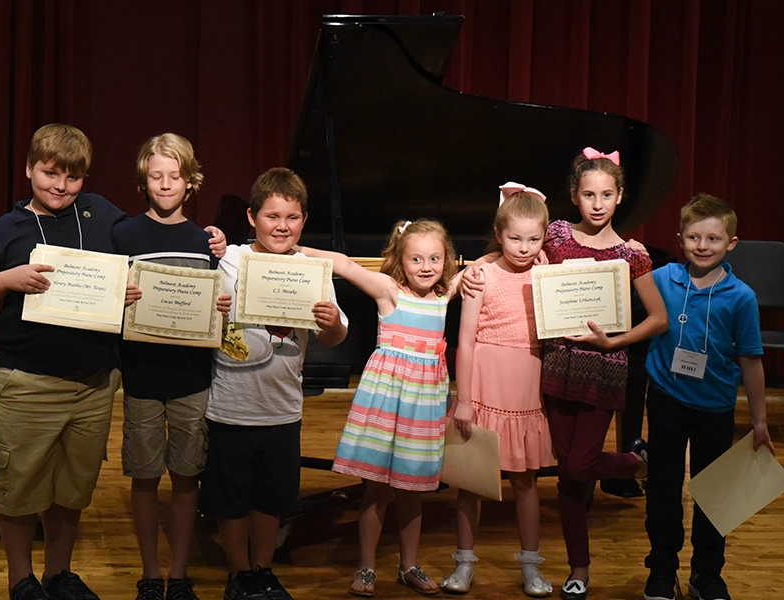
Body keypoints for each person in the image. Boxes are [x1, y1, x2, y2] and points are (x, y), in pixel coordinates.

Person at [0, 124, 226, 600]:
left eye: (72, 176)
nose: (60, 185)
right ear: (28, 169)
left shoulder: (102, 215)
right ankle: (21, 580)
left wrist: (213, 239)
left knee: (72, 488)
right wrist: (10, 277)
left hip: (94, 381)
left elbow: (151, 238)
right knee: (20, 486)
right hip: (28, 379)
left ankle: (58, 574)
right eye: (49, 174)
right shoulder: (8, 229)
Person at [304, 216, 470, 596]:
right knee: (377, 489)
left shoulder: (445, 296)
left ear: (447, 260)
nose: (426, 267)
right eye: (416, 260)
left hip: (423, 405)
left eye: (434, 259)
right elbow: (343, 263)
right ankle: (366, 567)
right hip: (387, 403)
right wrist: (294, 250)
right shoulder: (389, 292)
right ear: (401, 259)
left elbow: (486, 263)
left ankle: (409, 565)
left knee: (413, 490)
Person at [204, 168, 348, 600]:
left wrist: (330, 324)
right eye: (271, 216)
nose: (281, 226)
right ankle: (239, 573)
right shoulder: (227, 259)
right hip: (231, 403)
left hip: (283, 408)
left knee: (271, 500)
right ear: (251, 217)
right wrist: (218, 309)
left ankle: (263, 571)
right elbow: (199, 317)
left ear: (303, 221)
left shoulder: (311, 269)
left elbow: (336, 333)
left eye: (292, 217)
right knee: (231, 500)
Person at [541, 148, 667, 600]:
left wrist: (616, 341)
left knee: (580, 464)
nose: (597, 203)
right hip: (557, 363)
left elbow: (658, 318)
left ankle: (637, 461)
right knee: (569, 475)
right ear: (574, 196)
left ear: (620, 197)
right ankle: (579, 567)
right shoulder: (554, 237)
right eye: (589, 194)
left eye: (607, 194)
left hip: (603, 367)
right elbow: (511, 245)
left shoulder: (629, 254)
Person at [112, 134, 231, 600]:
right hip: (140, 376)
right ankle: (149, 574)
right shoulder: (123, 234)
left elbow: (225, 300)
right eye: (157, 176)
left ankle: (178, 574)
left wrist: (221, 305)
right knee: (144, 478)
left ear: (190, 181)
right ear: (145, 179)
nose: (166, 184)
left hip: (192, 378)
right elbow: (105, 298)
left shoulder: (208, 242)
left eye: (175, 176)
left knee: (186, 478)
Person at [640, 194, 773, 600]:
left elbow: (751, 361)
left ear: (731, 243)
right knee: (663, 489)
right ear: (680, 239)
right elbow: (614, 276)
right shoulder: (661, 280)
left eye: (713, 239)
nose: (702, 246)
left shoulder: (741, 297)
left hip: (716, 408)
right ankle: (662, 570)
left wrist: (760, 420)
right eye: (694, 237)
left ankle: (707, 575)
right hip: (665, 399)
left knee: (713, 495)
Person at [445, 184, 559, 597]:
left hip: (526, 388)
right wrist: (464, 399)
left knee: (526, 482)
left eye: (534, 239)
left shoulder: (547, 270)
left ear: (545, 236)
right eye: (514, 238)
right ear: (498, 233)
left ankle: (530, 565)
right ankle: (464, 563)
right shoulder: (482, 275)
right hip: (484, 386)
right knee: (472, 481)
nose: (525, 248)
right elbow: (467, 341)